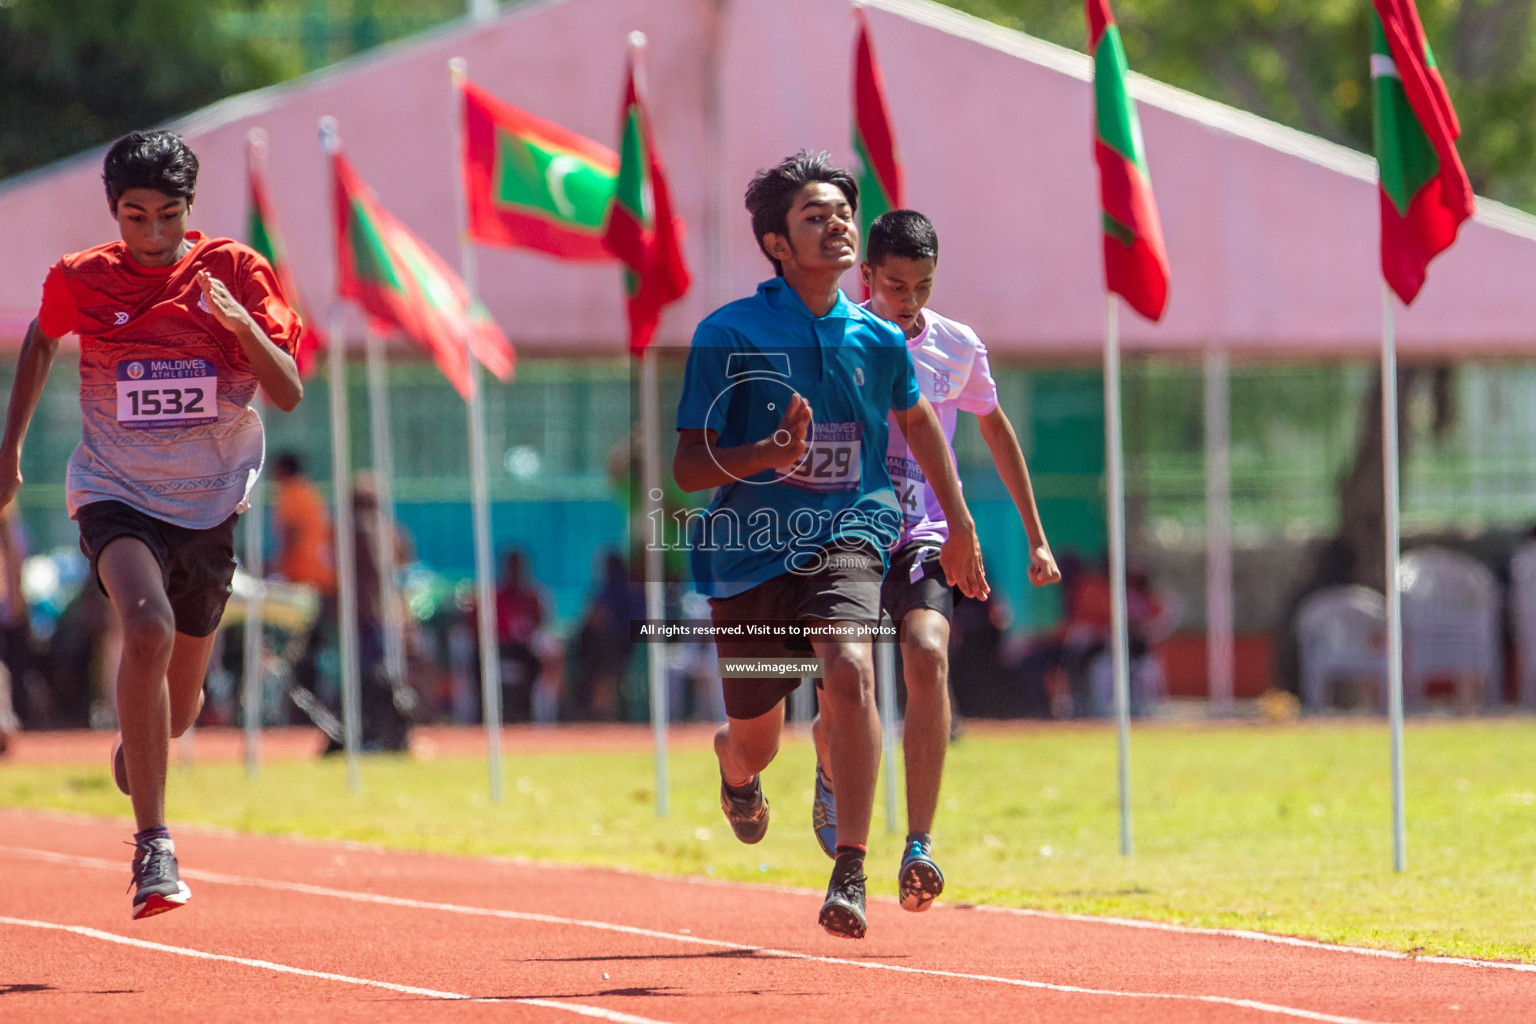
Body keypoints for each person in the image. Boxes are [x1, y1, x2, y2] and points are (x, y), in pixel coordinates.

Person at [673, 152, 987, 939]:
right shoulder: (729, 332)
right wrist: (766, 455)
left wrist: (959, 528)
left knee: (850, 664)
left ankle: (850, 870)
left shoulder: (878, 339)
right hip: (749, 551)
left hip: (852, 533)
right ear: (777, 243)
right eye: (816, 215)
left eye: (844, 212)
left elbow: (917, 426)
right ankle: (735, 769)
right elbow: (685, 465)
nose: (839, 223)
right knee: (756, 736)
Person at [0, 131, 303, 919]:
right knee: (144, 625)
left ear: (189, 212)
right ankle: (153, 849)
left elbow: (292, 389)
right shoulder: (83, 279)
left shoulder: (235, 271)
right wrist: (11, 452)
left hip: (209, 507)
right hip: (116, 491)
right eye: (136, 218)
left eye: (169, 217)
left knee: (183, 706)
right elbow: (39, 341)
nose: (153, 236)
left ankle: (142, 744)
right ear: (115, 213)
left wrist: (242, 328)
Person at [807, 209, 1060, 912]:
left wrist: (1033, 534)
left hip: (921, 532)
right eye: (894, 285)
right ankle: (829, 766)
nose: (909, 301)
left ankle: (919, 845)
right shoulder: (833, 340)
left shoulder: (956, 346)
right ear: (865, 278)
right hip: (843, 537)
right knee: (844, 697)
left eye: (922, 285)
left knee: (927, 651)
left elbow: (997, 432)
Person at [269, 451, 336, 719]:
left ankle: (301, 705)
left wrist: (279, 567)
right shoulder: (310, 492)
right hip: (320, 577)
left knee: (298, 649)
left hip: (301, 577)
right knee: (313, 647)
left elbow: (292, 533)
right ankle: (310, 701)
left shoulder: (291, 493)